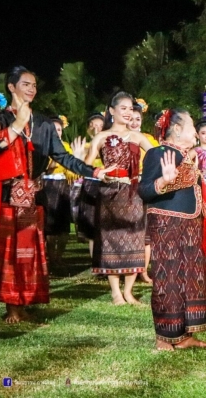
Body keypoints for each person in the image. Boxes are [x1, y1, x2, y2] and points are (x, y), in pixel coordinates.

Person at [0, 66, 110, 323]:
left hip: (34, 196)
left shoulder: (44, 123)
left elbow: (64, 157)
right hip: (6, 198)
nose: (31, 89)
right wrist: (17, 125)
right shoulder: (0, 120)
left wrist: (94, 171)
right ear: (12, 87)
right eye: (26, 84)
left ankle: (23, 301)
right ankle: (11, 305)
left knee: (28, 252)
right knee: (9, 253)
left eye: (34, 85)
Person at [139, 108, 206, 350]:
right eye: (191, 125)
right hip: (168, 224)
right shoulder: (159, 153)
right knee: (169, 279)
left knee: (191, 280)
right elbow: (144, 190)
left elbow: (201, 192)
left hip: (192, 223)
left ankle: (185, 335)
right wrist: (164, 181)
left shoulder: (190, 157)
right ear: (176, 129)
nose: (196, 131)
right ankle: (164, 338)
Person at [84, 91, 154, 305]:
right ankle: (116, 292)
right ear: (112, 111)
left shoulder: (138, 137)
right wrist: (93, 168)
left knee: (134, 237)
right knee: (110, 240)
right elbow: (87, 167)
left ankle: (129, 292)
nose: (127, 112)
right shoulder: (101, 137)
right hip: (108, 193)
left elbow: (158, 158)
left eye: (130, 109)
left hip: (133, 193)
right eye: (123, 108)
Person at [129, 100, 159, 285]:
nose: (134, 123)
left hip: (144, 184)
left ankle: (144, 271)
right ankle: (128, 269)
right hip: (127, 185)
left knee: (146, 232)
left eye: (137, 119)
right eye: (131, 119)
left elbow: (156, 157)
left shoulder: (148, 139)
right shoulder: (120, 138)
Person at [41, 116, 76, 264]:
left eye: (59, 129)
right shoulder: (43, 147)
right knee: (49, 224)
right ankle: (51, 255)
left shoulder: (66, 147)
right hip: (48, 185)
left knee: (63, 224)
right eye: (54, 129)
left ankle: (59, 256)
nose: (57, 132)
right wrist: (50, 165)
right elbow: (42, 168)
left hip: (64, 185)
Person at [75, 113, 105, 254]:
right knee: (92, 225)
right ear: (88, 129)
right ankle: (94, 262)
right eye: (93, 126)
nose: (97, 129)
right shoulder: (85, 146)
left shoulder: (109, 145)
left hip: (106, 183)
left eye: (100, 126)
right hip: (91, 184)